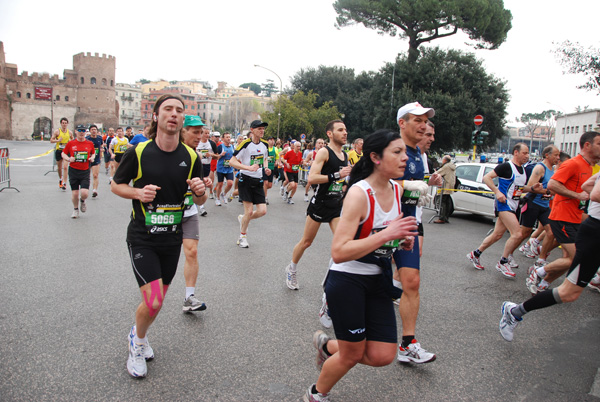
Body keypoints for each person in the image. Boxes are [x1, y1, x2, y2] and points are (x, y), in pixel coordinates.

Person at [303, 129, 418, 402]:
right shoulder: (359, 193)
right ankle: (316, 394)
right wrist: (387, 235)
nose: (405, 158)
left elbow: (381, 238)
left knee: (383, 355)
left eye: (405, 152)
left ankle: (328, 346)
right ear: (376, 157)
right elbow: (340, 251)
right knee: (352, 354)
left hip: (377, 279)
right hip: (347, 281)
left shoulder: (397, 190)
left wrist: (400, 242)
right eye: (397, 152)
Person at [111, 94, 206, 378]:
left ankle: (139, 333)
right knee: (153, 301)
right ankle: (137, 343)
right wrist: (138, 193)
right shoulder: (139, 152)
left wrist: (201, 192)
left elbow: (199, 201)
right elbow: (116, 185)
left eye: (179, 110)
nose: (174, 114)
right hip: (142, 237)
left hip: (171, 240)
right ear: (156, 116)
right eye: (168, 109)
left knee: (157, 302)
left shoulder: (191, 157)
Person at [499, 172, 600, 342]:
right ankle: (516, 311)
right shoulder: (569, 165)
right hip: (592, 231)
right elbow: (595, 193)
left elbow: (587, 186)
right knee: (569, 292)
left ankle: (540, 272)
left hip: (581, 225)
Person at [392, 102, 441, 364]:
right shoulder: (390, 148)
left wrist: (419, 189)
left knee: (411, 283)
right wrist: (404, 185)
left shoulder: (418, 154)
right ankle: (332, 298)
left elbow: (412, 190)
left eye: (425, 121)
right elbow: (373, 182)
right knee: (364, 281)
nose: (423, 125)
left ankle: (407, 344)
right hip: (382, 225)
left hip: (408, 224)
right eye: (417, 120)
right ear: (402, 123)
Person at [525, 132, 600, 293]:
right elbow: (552, 184)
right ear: (587, 145)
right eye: (599, 144)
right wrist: (577, 195)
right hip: (562, 217)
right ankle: (537, 272)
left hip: (576, 218)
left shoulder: (589, 166)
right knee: (576, 258)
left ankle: (543, 284)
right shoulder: (573, 164)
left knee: (568, 258)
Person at [284, 120, 351, 291]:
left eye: (345, 130)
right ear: (330, 133)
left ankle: (330, 277)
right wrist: (336, 175)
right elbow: (312, 177)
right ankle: (291, 269)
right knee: (306, 242)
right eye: (340, 130)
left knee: (343, 244)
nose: (345, 133)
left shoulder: (346, 155)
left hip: (335, 205)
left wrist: (345, 187)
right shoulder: (324, 152)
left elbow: (342, 180)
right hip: (320, 204)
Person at [467, 143, 542, 278]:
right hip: (503, 205)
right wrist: (497, 192)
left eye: (528, 153)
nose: (527, 156)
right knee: (517, 234)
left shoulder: (523, 170)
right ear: (516, 153)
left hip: (513, 205)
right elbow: (486, 178)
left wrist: (532, 189)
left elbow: (519, 188)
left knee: (497, 235)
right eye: (524, 153)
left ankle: (475, 254)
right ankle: (503, 261)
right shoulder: (507, 167)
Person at [180, 115, 210, 312]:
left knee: (192, 251)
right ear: (183, 131)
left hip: (188, 211)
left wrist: (200, 191)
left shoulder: (196, 157)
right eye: (194, 131)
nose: (199, 136)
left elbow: (200, 200)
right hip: (163, 214)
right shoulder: (164, 152)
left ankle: (189, 297)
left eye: (201, 132)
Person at [229, 120, 271, 248]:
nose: (262, 131)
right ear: (252, 130)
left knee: (262, 211)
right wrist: (247, 168)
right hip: (245, 180)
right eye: (259, 128)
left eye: (263, 129)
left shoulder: (264, 144)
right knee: (249, 211)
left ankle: (243, 219)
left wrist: (266, 168)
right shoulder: (245, 144)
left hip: (258, 180)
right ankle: (242, 237)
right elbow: (232, 161)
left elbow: (264, 158)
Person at [62, 125, 95, 218]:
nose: (81, 132)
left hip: (85, 171)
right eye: (80, 130)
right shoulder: (71, 143)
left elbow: (93, 153)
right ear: (76, 131)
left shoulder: (89, 144)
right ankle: (75, 209)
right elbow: (63, 153)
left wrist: (92, 158)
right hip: (73, 170)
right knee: (75, 193)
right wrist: (69, 159)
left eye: (83, 131)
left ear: (85, 132)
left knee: (84, 193)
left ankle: (82, 200)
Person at [196, 127, 218, 215]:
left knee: (203, 184)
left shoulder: (211, 144)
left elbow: (217, 156)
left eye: (208, 133)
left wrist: (211, 154)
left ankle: (201, 205)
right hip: (197, 165)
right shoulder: (197, 142)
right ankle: (199, 206)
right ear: (201, 133)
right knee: (198, 183)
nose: (207, 135)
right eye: (205, 133)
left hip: (206, 166)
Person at [50, 117, 73, 190]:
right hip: (59, 150)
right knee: (59, 168)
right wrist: (58, 140)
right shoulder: (57, 131)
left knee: (66, 167)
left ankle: (65, 183)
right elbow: (51, 140)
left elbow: (73, 140)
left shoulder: (69, 132)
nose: (64, 124)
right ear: (61, 124)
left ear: (67, 124)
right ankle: (61, 179)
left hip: (66, 151)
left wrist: (70, 142)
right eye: (63, 123)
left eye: (65, 123)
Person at [433, 155, 456, 223]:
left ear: (445, 160)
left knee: (442, 202)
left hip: (445, 186)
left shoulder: (446, 166)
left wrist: (435, 171)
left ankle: (442, 218)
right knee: (447, 202)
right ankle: (446, 217)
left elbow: (437, 173)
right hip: (450, 186)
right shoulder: (452, 166)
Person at [215, 132, 235, 206]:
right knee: (220, 184)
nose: (228, 138)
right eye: (227, 137)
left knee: (230, 183)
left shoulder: (233, 147)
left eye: (229, 137)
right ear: (223, 139)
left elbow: (235, 157)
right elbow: (216, 157)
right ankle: (217, 198)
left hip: (229, 168)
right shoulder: (220, 147)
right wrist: (221, 155)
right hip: (221, 168)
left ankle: (224, 194)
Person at [85, 124, 104, 198]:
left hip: (96, 159)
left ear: (97, 131)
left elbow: (101, 146)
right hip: (88, 159)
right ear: (90, 131)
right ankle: (85, 189)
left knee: (95, 175)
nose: (94, 131)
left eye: (95, 129)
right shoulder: (87, 139)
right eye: (92, 130)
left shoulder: (99, 138)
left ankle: (94, 190)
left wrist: (102, 150)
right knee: (87, 175)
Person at [263, 136, 279, 204]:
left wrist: (276, 162)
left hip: (272, 168)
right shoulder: (264, 148)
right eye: (270, 140)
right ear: (267, 141)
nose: (272, 141)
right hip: (265, 168)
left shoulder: (275, 149)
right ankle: (265, 198)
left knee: (269, 185)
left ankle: (262, 189)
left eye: (273, 140)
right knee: (265, 183)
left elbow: (277, 157)